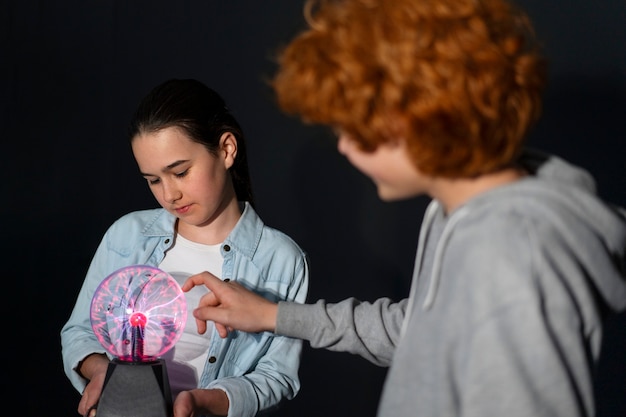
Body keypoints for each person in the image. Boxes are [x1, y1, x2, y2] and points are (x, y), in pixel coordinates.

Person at [182, 0, 626, 416]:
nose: (345, 147)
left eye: (356, 128)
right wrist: (271, 315)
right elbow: (421, 332)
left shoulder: (507, 249)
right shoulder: (470, 211)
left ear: (424, 114)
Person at [60, 78, 310, 417]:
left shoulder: (280, 260)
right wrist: (105, 373)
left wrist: (200, 401)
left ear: (226, 149)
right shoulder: (126, 236)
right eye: (153, 180)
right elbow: (80, 331)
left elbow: (276, 376)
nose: (169, 194)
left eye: (180, 172)